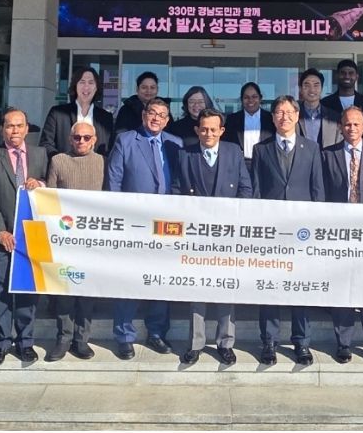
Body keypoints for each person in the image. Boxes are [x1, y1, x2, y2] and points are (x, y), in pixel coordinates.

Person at [106, 98, 183, 360]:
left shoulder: (175, 143)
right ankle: (124, 335)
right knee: (129, 279)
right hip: (134, 223)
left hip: (167, 225)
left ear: (167, 120)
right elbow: (114, 181)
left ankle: (157, 332)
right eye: (152, 113)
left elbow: (180, 181)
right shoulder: (126, 140)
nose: (156, 118)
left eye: (162, 115)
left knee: (161, 280)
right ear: (144, 115)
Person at [174, 108, 252, 366]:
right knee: (197, 288)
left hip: (226, 233)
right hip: (196, 234)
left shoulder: (234, 152)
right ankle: (196, 343)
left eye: (213, 129)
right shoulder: (185, 154)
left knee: (225, 288)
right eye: (204, 129)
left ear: (222, 131)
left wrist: (234, 219)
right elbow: (176, 190)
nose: (208, 133)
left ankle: (225, 343)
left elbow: (245, 188)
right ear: (197, 130)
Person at [251, 95, 325, 366]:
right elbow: (256, 191)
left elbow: (318, 191)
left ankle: (301, 342)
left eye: (289, 112)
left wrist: (317, 227)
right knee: (269, 286)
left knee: (300, 287)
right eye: (279, 113)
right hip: (271, 231)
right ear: (272, 118)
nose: (284, 117)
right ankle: (269, 341)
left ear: (297, 116)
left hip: (302, 232)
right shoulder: (261, 149)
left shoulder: (312, 148)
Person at [0, 107, 48, 365]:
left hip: (32, 235)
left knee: (28, 290)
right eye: (9, 126)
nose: (14, 130)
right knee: (0, 292)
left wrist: (40, 184)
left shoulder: (41, 154)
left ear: (27, 129)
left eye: (19, 125)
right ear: (2, 129)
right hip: (0, 238)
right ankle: (1, 343)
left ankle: (25, 342)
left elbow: (51, 184)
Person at [321, 106, 363, 364]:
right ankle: (344, 343)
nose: (351, 128)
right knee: (342, 289)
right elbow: (323, 194)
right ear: (340, 127)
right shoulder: (328, 155)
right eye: (347, 124)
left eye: (356, 124)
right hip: (339, 232)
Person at [44, 122, 105, 362]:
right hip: (65, 236)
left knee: (87, 292)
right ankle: (63, 338)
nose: (81, 141)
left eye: (86, 137)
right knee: (64, 292)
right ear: (70, 139)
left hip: (92, 239)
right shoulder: (58, 161)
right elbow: (49, 197)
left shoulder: (102, 162)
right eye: (77, 137)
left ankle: (82, 339)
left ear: (94, 139)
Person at [39, 67, 114, 158]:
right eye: (82, 82)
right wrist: (60, 161)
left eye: (91, 83)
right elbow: (46, 143)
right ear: (75, 86)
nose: (86, 87)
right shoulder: (57, 113)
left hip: (95, 166)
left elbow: (111, 148)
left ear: (96, 88)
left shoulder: (106, 117)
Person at [223, 82, 275, 172]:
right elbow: (226, 144)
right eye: (246, 97)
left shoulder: (271, 119)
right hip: (240, 166)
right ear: (241, 100)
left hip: (265, 165)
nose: (250, 100)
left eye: (254, 97)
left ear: (260, 98)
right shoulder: (232, 119)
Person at [321, 59, 363, 127]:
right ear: (337, 76)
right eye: (343, 73)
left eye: (351, 73)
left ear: (357, 77)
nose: (347, 76)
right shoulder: (324, 104)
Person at [297, 68, 342, 149]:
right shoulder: (293, 115)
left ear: (322, 88)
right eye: (307, 85)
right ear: (300, 89)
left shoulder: (334, 117)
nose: (312, 90)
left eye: (316, 85)